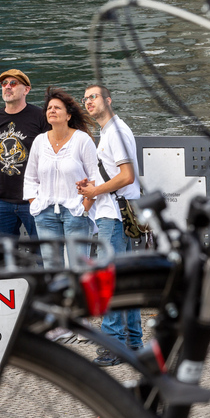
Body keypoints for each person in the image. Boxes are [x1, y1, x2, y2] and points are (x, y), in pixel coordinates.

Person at [76, 84, 143, 366]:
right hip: (118, 214)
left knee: (109, 279)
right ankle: (133, 343)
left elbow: (127, 176)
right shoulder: (110, 132)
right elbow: (120, 175)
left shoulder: (115, 131)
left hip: (113, 217)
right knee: (122, 280)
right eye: (85, 99)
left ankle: (112, 344)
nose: (88, 102)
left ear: (108, 100)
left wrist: (95, 191)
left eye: (93, 97)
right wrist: (93, 187)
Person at [24, 87, 99, 267]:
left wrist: (85, 207)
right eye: (49, 108)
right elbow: (30, 178)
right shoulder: (40, 141)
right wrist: (35, 204)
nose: (52, 111)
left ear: (68, 116)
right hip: (45, 213)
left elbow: (96, 177)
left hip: (76, 212)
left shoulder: (82, 140)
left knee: (79, 267)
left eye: (57, 108)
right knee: (51, 268)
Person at [0, 69, 48, 242]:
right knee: (4, 257)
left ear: (26, 90)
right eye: (4, 84)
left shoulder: (40, 117)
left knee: (43, 253)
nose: (7, 87)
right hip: (0, 202)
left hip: (34, 200)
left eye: (13, 83)